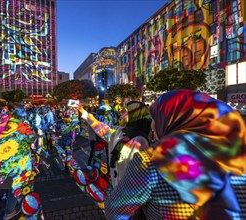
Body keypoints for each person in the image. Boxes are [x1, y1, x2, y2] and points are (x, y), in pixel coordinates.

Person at [104, 90, 246, 219]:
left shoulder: (150, 161)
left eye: (155, 119)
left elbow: (115, 211)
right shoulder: (237, 156)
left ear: (173, 120)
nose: (152, 126)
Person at [77, 100, 152, 187]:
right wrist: (83, 111)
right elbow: (98, 126)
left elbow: (138, 174)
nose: (121, 113)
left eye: (125, 111)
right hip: (117, 186)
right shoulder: (119, 132)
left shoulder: (140, 141)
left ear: (135, 115)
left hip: (128, 191)